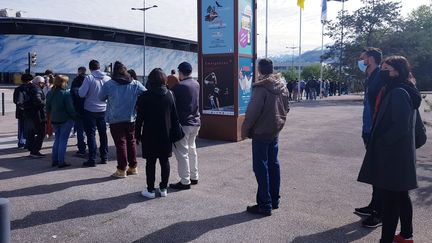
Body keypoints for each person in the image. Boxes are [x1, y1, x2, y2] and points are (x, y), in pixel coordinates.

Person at [358, 56, 420, 243]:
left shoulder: (399, 92)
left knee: (390, 201)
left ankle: (386, 240)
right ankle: (406, 235)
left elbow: (400, 127)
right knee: (401, 195)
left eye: (387, 69)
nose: (384, 72)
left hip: (392, 155)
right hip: (399, 154)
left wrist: (382, 143)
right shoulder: (400, 89)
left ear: (397, 71)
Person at [241, 58, 290, 216]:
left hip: (261, 132)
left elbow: (252, 113)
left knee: (260, 167)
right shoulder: (282, 85)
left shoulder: (261, 88)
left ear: (259, 70)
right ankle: (274, 200)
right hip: (274, 130)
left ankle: (264, 204)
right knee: (273, 164)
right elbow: (287, 107)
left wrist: (245, 130)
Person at [135, 68, 180, 198]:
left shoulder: (144, 96)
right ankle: (163, 188)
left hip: (149, 134)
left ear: (150, 80)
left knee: (150, 162)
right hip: (166, 133)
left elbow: (139, 119)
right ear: (164, 79)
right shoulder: (170, 95)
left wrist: (137, 135)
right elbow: (174, 117)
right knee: (164, 161)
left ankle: (150, 190)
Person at [355, 47, 385, 228]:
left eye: (363, 57)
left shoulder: (381, 76)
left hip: (376, 130)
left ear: (371, 58)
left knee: (379, 171)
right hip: (369, 129)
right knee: (374, 170)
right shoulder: (371, 76)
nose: (361, 59)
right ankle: (374, 204)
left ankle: (379, 212)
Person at [99, 61, 145, 178]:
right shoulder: (135, 83)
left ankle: (121, 169)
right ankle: (133, 167)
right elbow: (146, 94)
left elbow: (101, 97)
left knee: (120, 144)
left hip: (115, 119)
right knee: (131, 142)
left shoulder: (109, 84)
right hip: (130, 118)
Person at [169, 62, 201, 190]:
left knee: (182, 153)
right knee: (192, 150)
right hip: (196, 122)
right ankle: (194, 176)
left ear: (180, 72)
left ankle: (185, 181)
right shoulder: (196, 84)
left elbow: (171, 102)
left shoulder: (179, 86)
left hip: (183, 123)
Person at [78, 60, 111, 167]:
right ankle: (104, 157)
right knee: (103, 134)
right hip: (103, 110)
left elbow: (81, 94)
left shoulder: (89, 78)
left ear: (90, 68)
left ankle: (92, 159)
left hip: (90, 110)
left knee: (91, 135)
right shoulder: (107, 78)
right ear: (99, 67)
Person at [46, 75, 77, 168]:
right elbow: (70, 109)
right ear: (63, 83)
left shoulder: (51, 92)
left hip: (54, 119)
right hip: (65, 119)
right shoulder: (65, 94)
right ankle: (61, 161)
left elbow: (47, 107)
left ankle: (54, 160)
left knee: (57, 140)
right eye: (66, 82)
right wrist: (75, 117)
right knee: (63, 141)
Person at [24, 76, 47, 157]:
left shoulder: (28, 88)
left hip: (29, 114)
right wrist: (45, 104)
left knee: (31, 132)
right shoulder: (36, 89)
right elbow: (38, 101)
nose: (44, 85)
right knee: (41, 133)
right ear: (39, 83)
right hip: (38, 114)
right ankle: (35, 151)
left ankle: (31, 149)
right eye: (43, 83)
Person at [13, 73, 34, 149]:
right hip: (28, 111)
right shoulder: (31, 88)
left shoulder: (17, 89)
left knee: (21, 127)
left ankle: (21, 142)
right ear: (29, 80)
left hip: (20, 111)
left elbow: (15, 100)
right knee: (28, 128)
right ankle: (26, 143)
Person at [70, 66, 87, 156]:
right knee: (90, 131)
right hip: (89, 108)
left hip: (78, 109)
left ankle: (81, 149)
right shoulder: (89, 80)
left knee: (80, 131)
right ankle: (93, 148)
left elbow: (73, 94)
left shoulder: (75, 81)